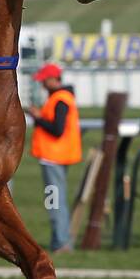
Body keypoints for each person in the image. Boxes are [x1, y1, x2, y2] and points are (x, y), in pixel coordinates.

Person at [25, 63, 82, 252]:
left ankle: (61, 242)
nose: (42, 85)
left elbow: (57, 130)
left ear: (52, 79)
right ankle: (61, 240)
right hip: (56, 157)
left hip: (54, 157)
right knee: (57, 201)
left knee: (54, 202)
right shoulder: (61, 98)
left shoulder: (60, 99)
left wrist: (37, 117)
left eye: (44, 81)